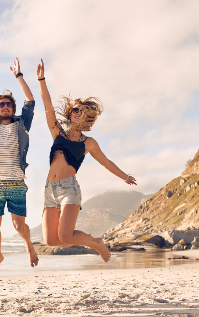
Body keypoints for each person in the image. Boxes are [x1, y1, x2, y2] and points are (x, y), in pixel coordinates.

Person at [36, 60, 137, 261]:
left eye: (82, 111)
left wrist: (124, 176)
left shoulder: (88, 142)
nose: (78, 113)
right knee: (51, 241)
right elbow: (47, 106)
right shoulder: (58, 133)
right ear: (70, 113)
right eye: (75, 109)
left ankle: (96, 243)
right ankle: (95, 241)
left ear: (87, 117)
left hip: (69, 189)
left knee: (65, 235)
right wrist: (41, 79)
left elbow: (106, 162)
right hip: (49, 189)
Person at [0, 59, 39, 279]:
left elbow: (30, 100)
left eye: (8, 104)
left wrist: (19, 75)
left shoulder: (22, 124)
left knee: (17, 225)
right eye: (1, 105)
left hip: (16, 182)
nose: (5, 107)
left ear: (13, 108)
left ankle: (29, 245)